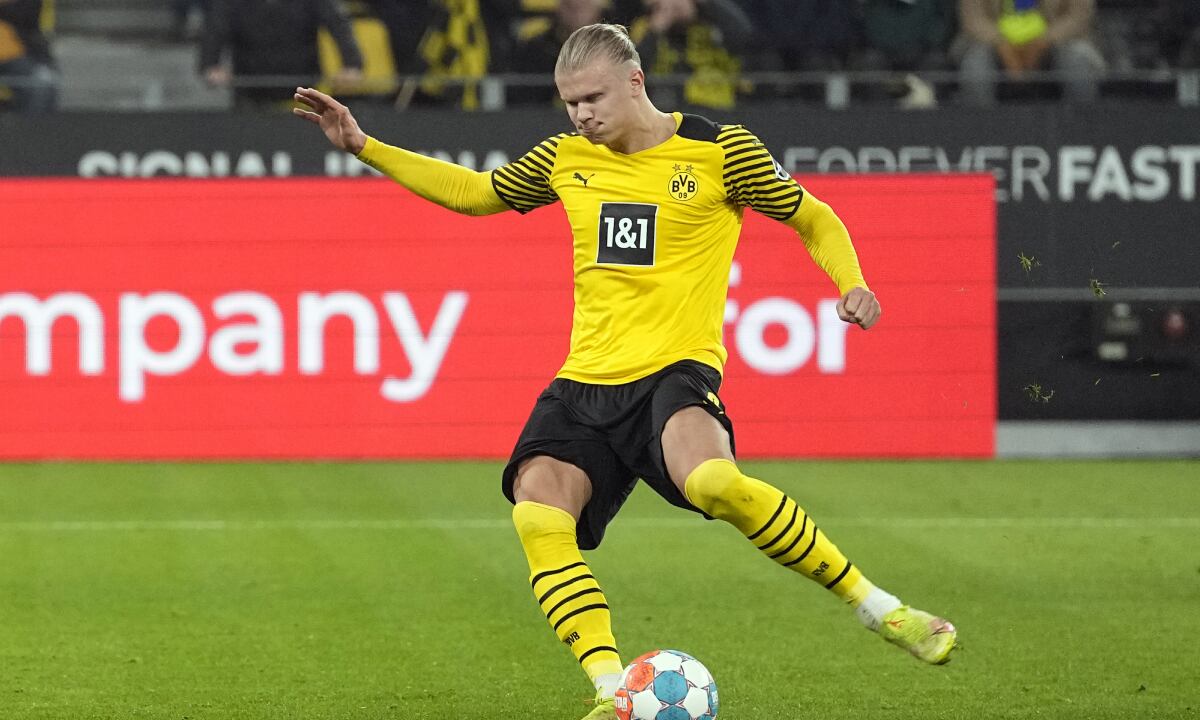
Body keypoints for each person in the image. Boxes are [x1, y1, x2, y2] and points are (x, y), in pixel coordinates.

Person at [294, 23, 958, 720]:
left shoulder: (720, 151)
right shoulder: (565, 158)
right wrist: (365, 147)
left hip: (675, 371)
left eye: (592, 98)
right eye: (569, 102)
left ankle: (881, 610)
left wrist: (850, 281)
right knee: (536, 509)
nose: (580, 115)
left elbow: (812, 217)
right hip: (585, 382)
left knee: (714, 481)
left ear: (635, 82)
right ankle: (615, 693)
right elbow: (474, 192)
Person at [200, 0, 363, 109]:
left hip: (303, 90)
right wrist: (210, 65)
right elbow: (216, 29)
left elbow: (337, 24)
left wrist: (352, 64)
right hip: (250, 90)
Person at [955, 0, 1105, 105]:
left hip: (1057, 42)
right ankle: (983, 135)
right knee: (976, 64)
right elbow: (973, 19)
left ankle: (1079, 133)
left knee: (1076, 60)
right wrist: (1002, 45)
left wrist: (1044, 42)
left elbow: (1078, 16)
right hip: (994, 43)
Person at [0, 0, 57, 114]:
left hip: (16, 53)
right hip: (13, 54)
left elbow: (26, 14)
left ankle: (32, 128)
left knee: (43, 85)